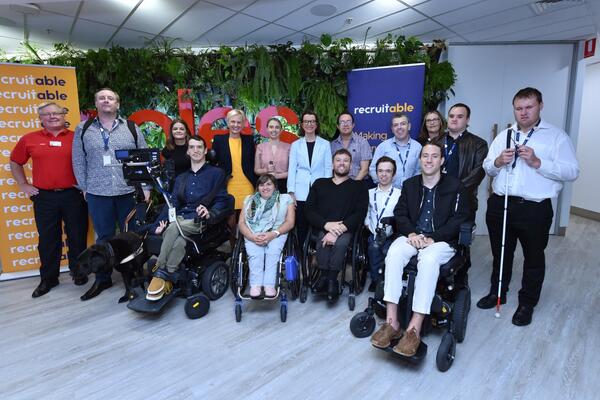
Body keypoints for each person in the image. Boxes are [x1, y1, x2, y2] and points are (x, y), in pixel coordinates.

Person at [477, 87, 579, 326]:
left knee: (534, 257)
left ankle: (527, 303)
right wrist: (499, 161)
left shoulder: (556, 137)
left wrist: (537, 162)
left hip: (535, 208)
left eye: (528, 107)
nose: (523, 113)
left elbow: (572, 171)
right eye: (519, 108)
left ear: (540, 106)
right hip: (501, 204)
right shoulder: (504, 135)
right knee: (501, 252)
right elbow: (488, 168)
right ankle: (498, 292)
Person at [370, 142, 469, 356]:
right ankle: (392, 322)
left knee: (429, 259)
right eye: (425, 156)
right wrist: (413, 234)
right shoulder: (410, 185)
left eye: (434, 156)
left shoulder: (455, 186)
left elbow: (460, 219)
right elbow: (401, 214)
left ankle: (414, 328)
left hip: (441, 241)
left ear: (442, 161)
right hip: (413, 236)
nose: (429, 160)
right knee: (394, 253)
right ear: (420, 159)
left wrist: (433, 238)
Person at [72, 87, 149, 301]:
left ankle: (135, 277)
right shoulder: (83, 129)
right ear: (96, 104)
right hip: (98, 192)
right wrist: (85, 187)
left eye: (110, 98)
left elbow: (142, 158)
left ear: (117, 104)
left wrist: (146, 187)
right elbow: (78, 161)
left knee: (131, 237)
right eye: (101, 98)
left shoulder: (132, 128)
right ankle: (103, 278)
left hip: (127, 191)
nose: (106, 101)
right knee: (103, 238)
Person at [10, 102, 89, 298]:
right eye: (47, 114)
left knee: (77, 236)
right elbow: (15, 161)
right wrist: (23, 184)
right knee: (47, 240)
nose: (52, 116)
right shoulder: (29, 139)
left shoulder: (77, 138)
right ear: (40, 118)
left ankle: (78, 272)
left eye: (57, 113)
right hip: (44, 197)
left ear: (64, 115)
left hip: (74, 195)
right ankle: (48, 278)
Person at [146, 135, 231, 301]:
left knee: (172, 227)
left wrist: (210, 212)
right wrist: (156, 226)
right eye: (192, 147)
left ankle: (160, 270)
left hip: (199, 220)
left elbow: (223, 200)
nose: (196, 150)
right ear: (188, 151)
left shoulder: (216, 173)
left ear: (205, 151)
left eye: (199, 147)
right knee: (179, 242)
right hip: (181, 219)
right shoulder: (181, 178)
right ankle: (169, 276)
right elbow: (172, 204)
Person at [305, 149, 369, 302]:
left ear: (350, 164)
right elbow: (309, 210)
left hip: (346, 229)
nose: (342, 163)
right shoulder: (320, 183)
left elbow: (360, 213)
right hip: (323, 227)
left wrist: (338, 229)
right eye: (338, 160)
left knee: (340, 243)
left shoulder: (358, 186)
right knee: (322, 240)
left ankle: (330, 279)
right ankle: (325, 277)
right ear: (332, 164)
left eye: (345, 160)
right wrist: (326, 226)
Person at [442, 103, 488, 287]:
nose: (454, 119)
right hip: (439, 200)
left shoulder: (478, 144)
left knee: (462, 240)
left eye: (459, 116)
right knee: (442, 238)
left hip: (464, 200)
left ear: (467, 120)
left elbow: (478, 172)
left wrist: (456, 191)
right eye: (451, 115)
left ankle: (461, 279)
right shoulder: (437, 141)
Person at [238, 174, 295, 298]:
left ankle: (269, 284)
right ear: (257, 187)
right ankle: (255, 285)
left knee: (272, 253)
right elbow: (241, 223)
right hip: (253, 233)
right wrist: (251, 236)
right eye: (262, 184)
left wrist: (273, 234)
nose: (265, 187)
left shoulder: (285, 199)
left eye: (269, 184)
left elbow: (290, 222)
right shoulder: (249, 199)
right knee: (255, 254)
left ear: (275, 186)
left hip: (277, 232)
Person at [287, 111, 332, 247]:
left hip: (319, 191)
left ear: (316, 124)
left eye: (312, 121)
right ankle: (302, 257)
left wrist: (327, 190)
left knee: (318, 225)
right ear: (302, 124)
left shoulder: (325, 144)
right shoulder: (295, 145)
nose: (309, 124)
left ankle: (315, 255)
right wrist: (291, 192)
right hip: (300, 192)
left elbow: (328, 168)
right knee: (302, 225)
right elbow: (292, 169)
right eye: (306, 121)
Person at [211, 109, 257, 242]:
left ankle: (246, 247)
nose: (236, 125)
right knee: (230, 219)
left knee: (247, 218)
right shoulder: (219, 140)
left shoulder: (249, 140)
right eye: (233, 121)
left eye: (239, 122)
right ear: (228, 122)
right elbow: (214, 163)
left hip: (246, 183)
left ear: (243, 124)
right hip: (228, 184)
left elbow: (252, 161)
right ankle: (233, 249)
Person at [364, 156, 401, 292]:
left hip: (392, 235)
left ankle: (388, 280)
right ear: (376, 173)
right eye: (380, 171)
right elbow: (366, 211)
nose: (383, 174)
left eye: (388, 171)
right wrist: (367, 222)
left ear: (394, 174)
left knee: (387, 251)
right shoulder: (369, 193)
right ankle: (375, 280)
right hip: (374, 232)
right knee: (374, 249)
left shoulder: (400, 194)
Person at [370, 113, 421, 189]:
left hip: (411, 192)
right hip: (388, 192)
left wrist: (412, 186)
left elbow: (419, 170)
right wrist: (383, 184)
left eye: (403, 124)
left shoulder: (418, 147)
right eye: (396, 125)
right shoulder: (383, 147)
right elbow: (373, 169)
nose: (399, 127)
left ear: (409, 126)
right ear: (392, 129)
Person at [330, 111, 372, 181]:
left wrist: (353, 186)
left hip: (358, 183)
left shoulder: (362, 142)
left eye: (348, 122)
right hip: (338, 184)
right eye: (342, 122)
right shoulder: (332, 145)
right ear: (338, 126)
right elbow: (331, 168)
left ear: (353, 125)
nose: (345, 125)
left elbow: (364, 170)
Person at [254, 117, 290, 193]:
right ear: (267, 129)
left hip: (284, 185)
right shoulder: (260, 147)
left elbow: (292, 171)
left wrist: (277, 176)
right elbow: (256, 170)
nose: (274, 130)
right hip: (265, 185)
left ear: (281, 130)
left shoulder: (289, 147)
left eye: (277, 127)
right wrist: (266, 170)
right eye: (271, 127)